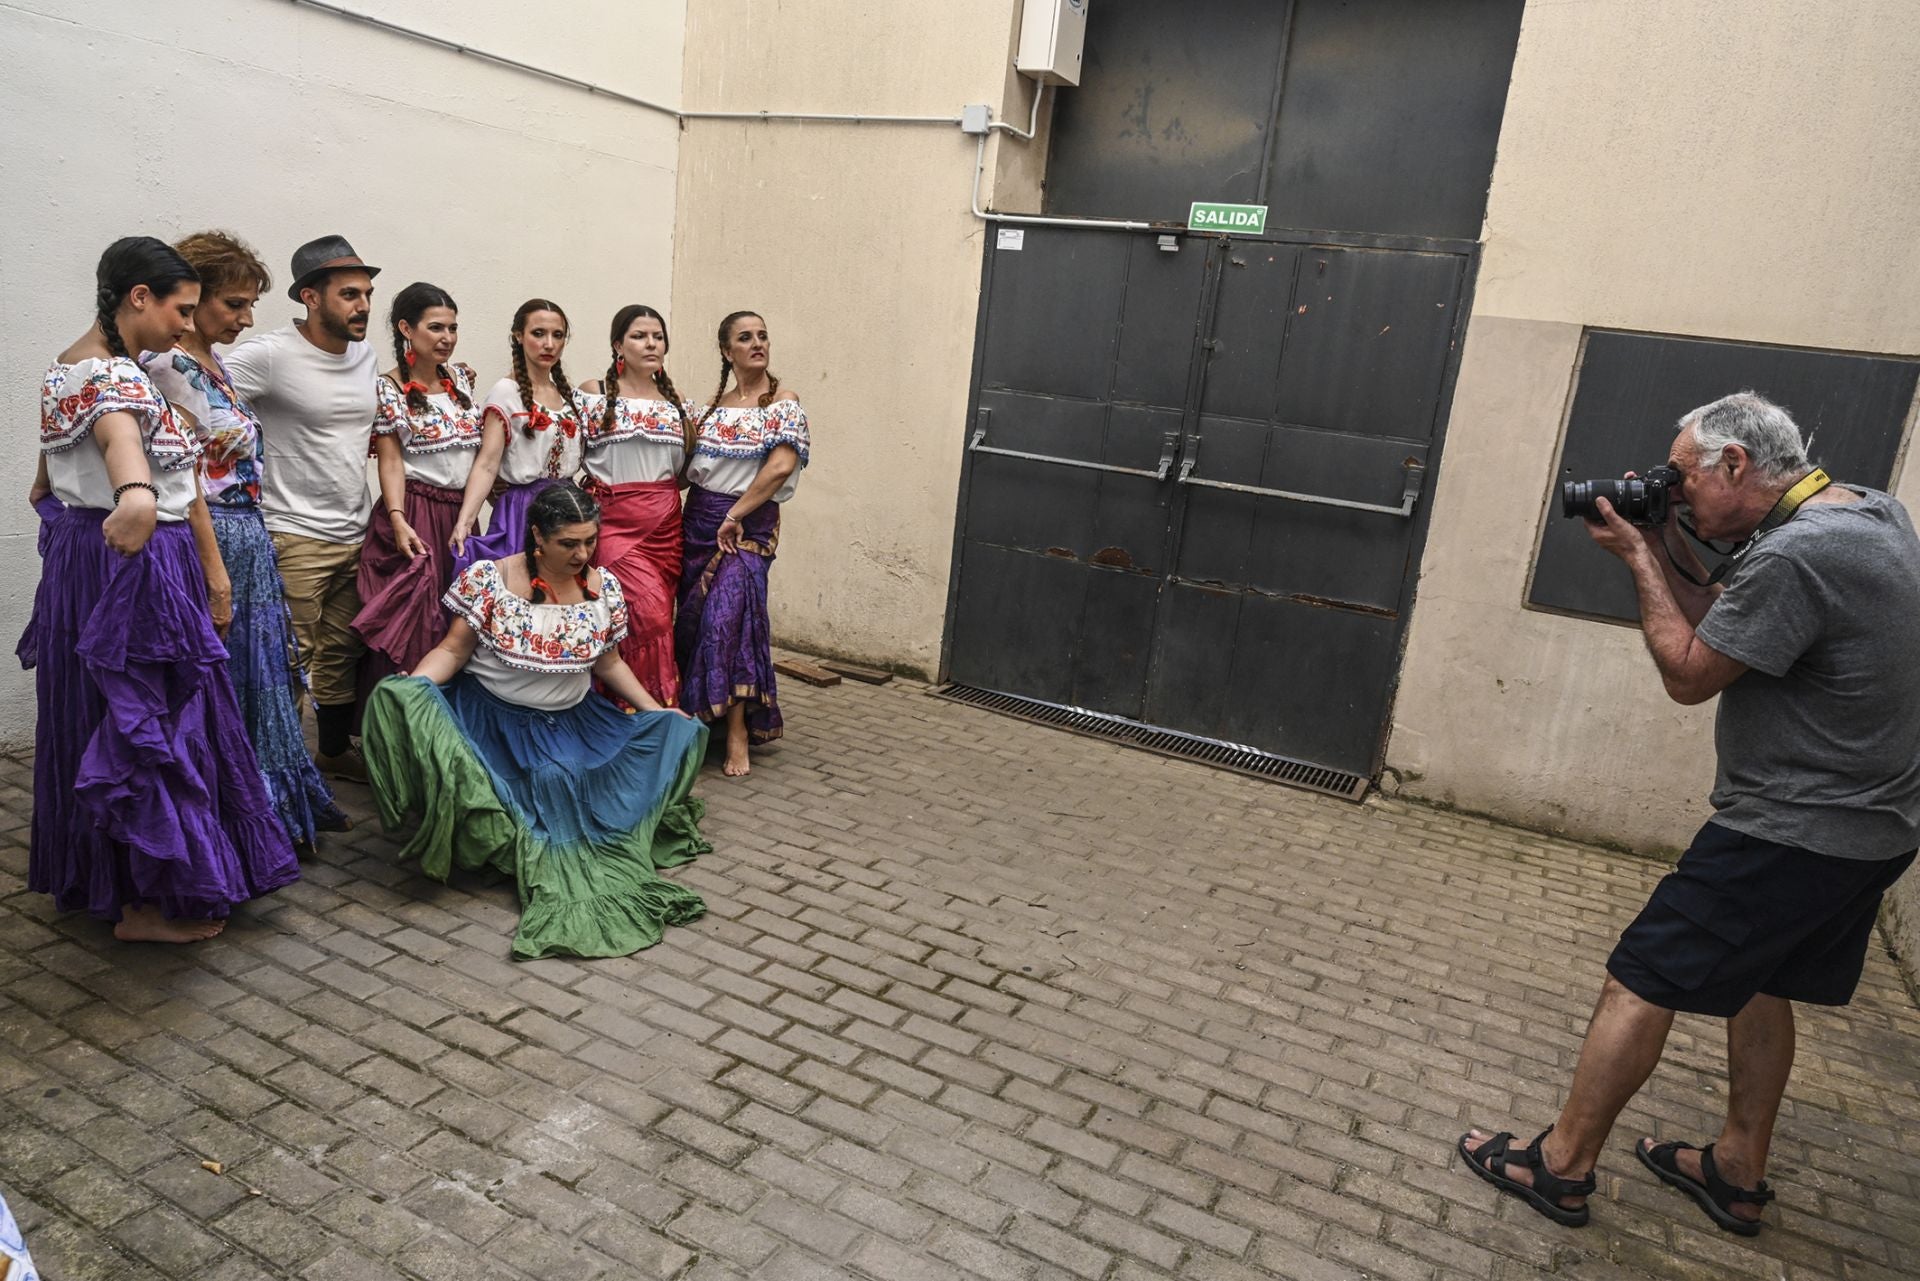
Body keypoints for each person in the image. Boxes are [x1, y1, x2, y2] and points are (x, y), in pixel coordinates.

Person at [1460, 392, 1920, 1236]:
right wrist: (1667, 535)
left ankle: (1558, 1165)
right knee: (1762, 978)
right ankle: (1737, 1169)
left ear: (1735, 465)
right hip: (1875, 828)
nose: (1672, 491)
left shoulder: (1798, 557)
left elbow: (1688, 670)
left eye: (1681, 477)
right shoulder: (1870, 514)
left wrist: (1639, 553)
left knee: (1639, 977)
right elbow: (1737, 623)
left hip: (1792, 830)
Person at [21, 237, 300, 942]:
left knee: (156, 721)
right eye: (180, 308)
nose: (187, 322)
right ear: (138, 297)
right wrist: (136, 495)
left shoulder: (98, 369)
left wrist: (202, 565)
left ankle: (122, 883)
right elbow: (120, 443)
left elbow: (43, 482)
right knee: (146, 728)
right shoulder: (106, 377)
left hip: (137, 559)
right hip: (136, 564)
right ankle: (145, 903)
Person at [362, 483, 710, 959]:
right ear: (537, 537)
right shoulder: (490, 581)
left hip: (576, 722)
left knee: (675, 733)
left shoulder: (602, 587)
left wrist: (656, 711)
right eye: (569, 542)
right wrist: (417, 685)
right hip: (496, 722)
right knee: (551, 783)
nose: (582, 553)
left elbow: (608, 664)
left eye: (590, 540)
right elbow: (452, 651)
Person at [143, 230, 347, 849]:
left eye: (249, 304)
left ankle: (268, 813)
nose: (246, 318)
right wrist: (214, 570)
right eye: (233, 304)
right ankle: (228, 825)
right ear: (195, 296)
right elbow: (184, 481)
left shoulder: (217, 365)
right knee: (224, 687)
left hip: (248, 533)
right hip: (214, 540)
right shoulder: (170, 366)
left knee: (263, 681)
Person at [225, 234, 381, 781]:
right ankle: (276, 778)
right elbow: (197, 395)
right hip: (292, 533)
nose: (362, 305)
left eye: (365, 293)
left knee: (342, 653)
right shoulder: (269, 355)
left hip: (355, 529)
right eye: (348, 294)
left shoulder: (365, 356)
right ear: (310, 298)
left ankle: (332, 753)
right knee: (288, 661)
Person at [678, 310, 809, 777]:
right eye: (745, 337)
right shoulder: (710, 406)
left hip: (747, 524)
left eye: (763, 336)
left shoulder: (782, 402)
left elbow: (777, 468)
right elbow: (681, 470)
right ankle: (697, 722)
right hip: (698, 522)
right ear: (725, 350)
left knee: (727, 618)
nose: (758, 343)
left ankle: (737, 732)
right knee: (693, 622)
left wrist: (736, 515)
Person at [352, 282, 482, 675]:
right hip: (416, 512)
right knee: (417, 623)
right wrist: (397, 517)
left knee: (461, 622)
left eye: (452, 328)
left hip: (462, 514)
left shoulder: (462, 380)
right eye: (436, 328)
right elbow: (390, 461)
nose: (447, 338)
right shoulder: (387, 388)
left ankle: (448, 724)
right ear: (406, 329)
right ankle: (404, 722)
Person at [578, 304, 692, 706]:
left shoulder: (678, 402)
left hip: (664, 524)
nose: (651, 344)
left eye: (657, 336)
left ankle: (653, 720)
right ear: (617, 346)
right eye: (640, 336)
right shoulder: (594, 394)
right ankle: (625, 711)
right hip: (611, 522)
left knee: (663, 614)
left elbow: (685, 470)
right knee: (641, 615)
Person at [450, 298, 585, 575]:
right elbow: (487, 464)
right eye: (538, 333)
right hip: (523, 510)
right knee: (522, 592)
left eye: (557, 335)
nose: (549, 344)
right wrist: (465, 521)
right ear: (518, 336)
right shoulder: (505, 393)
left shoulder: (567, 395)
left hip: (568, 509)